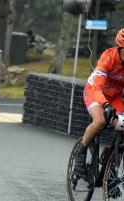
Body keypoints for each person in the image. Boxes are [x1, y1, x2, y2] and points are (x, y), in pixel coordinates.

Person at [73, 28, 124, 185]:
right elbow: (97, 87)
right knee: (100, 120)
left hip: (115, 96)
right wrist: (105, 105)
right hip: (95, 91)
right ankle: (80, 155)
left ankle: (111, 168)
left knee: (122, 130)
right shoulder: (108, 57)